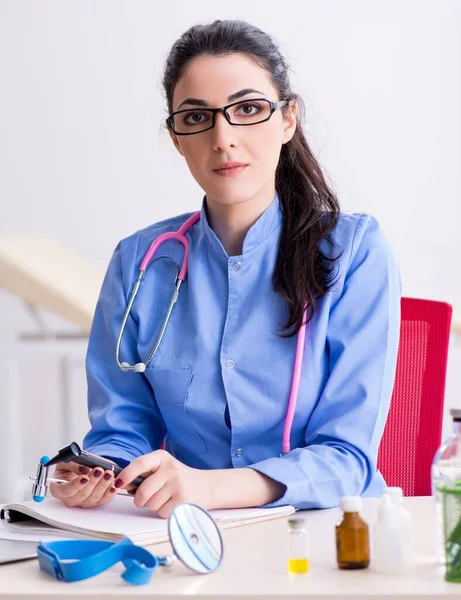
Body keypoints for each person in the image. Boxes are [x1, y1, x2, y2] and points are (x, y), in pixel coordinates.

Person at [50, 19, 401, 518]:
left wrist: (211, 488)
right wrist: (99, 472)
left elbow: (349, 459)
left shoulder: (354, 253)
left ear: (288, 120)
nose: (223, 137)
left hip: (320, 533)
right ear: (176, 137)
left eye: (248, 109)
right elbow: (122, 429)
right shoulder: (139, 261)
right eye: (196, 117)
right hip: (180, 532)